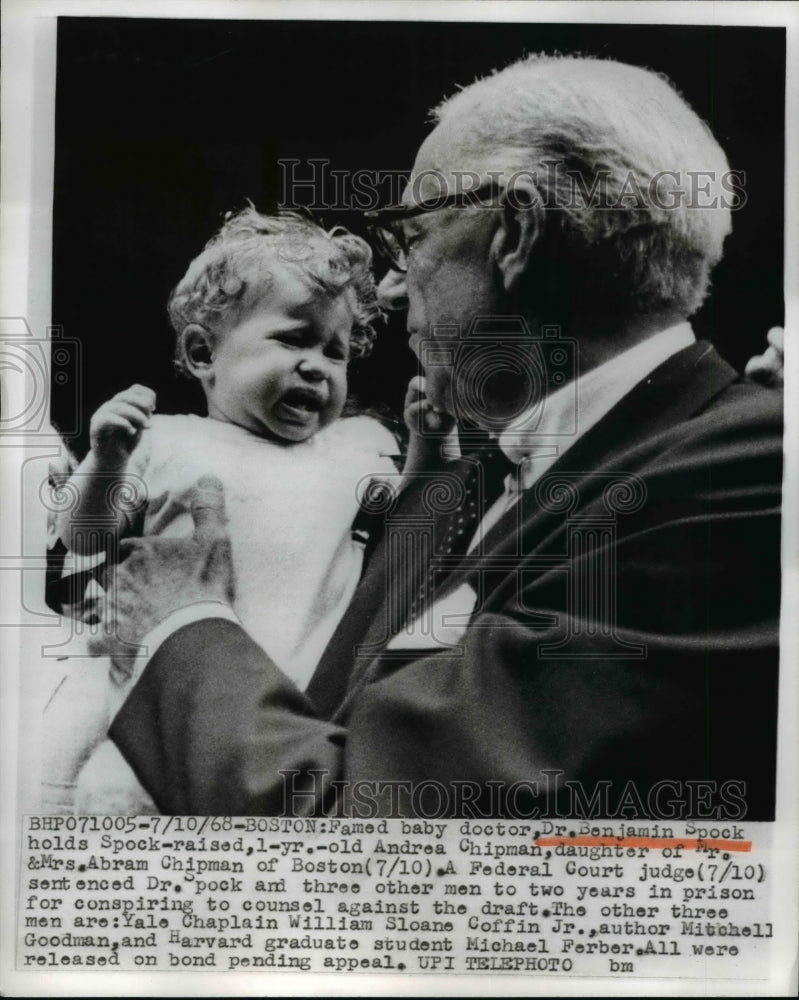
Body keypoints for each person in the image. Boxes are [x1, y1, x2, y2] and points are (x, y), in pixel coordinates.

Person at [102, 54, 783, 819]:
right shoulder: (475, 481)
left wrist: (177, 628)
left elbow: (366, 836)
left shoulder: (752, 477)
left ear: (515, 231)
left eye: (411, 238)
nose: (389, 290)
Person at [52, 207, 420, 812]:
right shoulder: (163, 441)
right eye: (294, 337)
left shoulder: (359, 447)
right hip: (164, 709)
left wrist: (429, 441)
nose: (317, 365)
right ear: (203, 353)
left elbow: (416, 528)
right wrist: (108, 458)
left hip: (298, 712)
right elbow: (81, 542)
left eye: (336, 351)